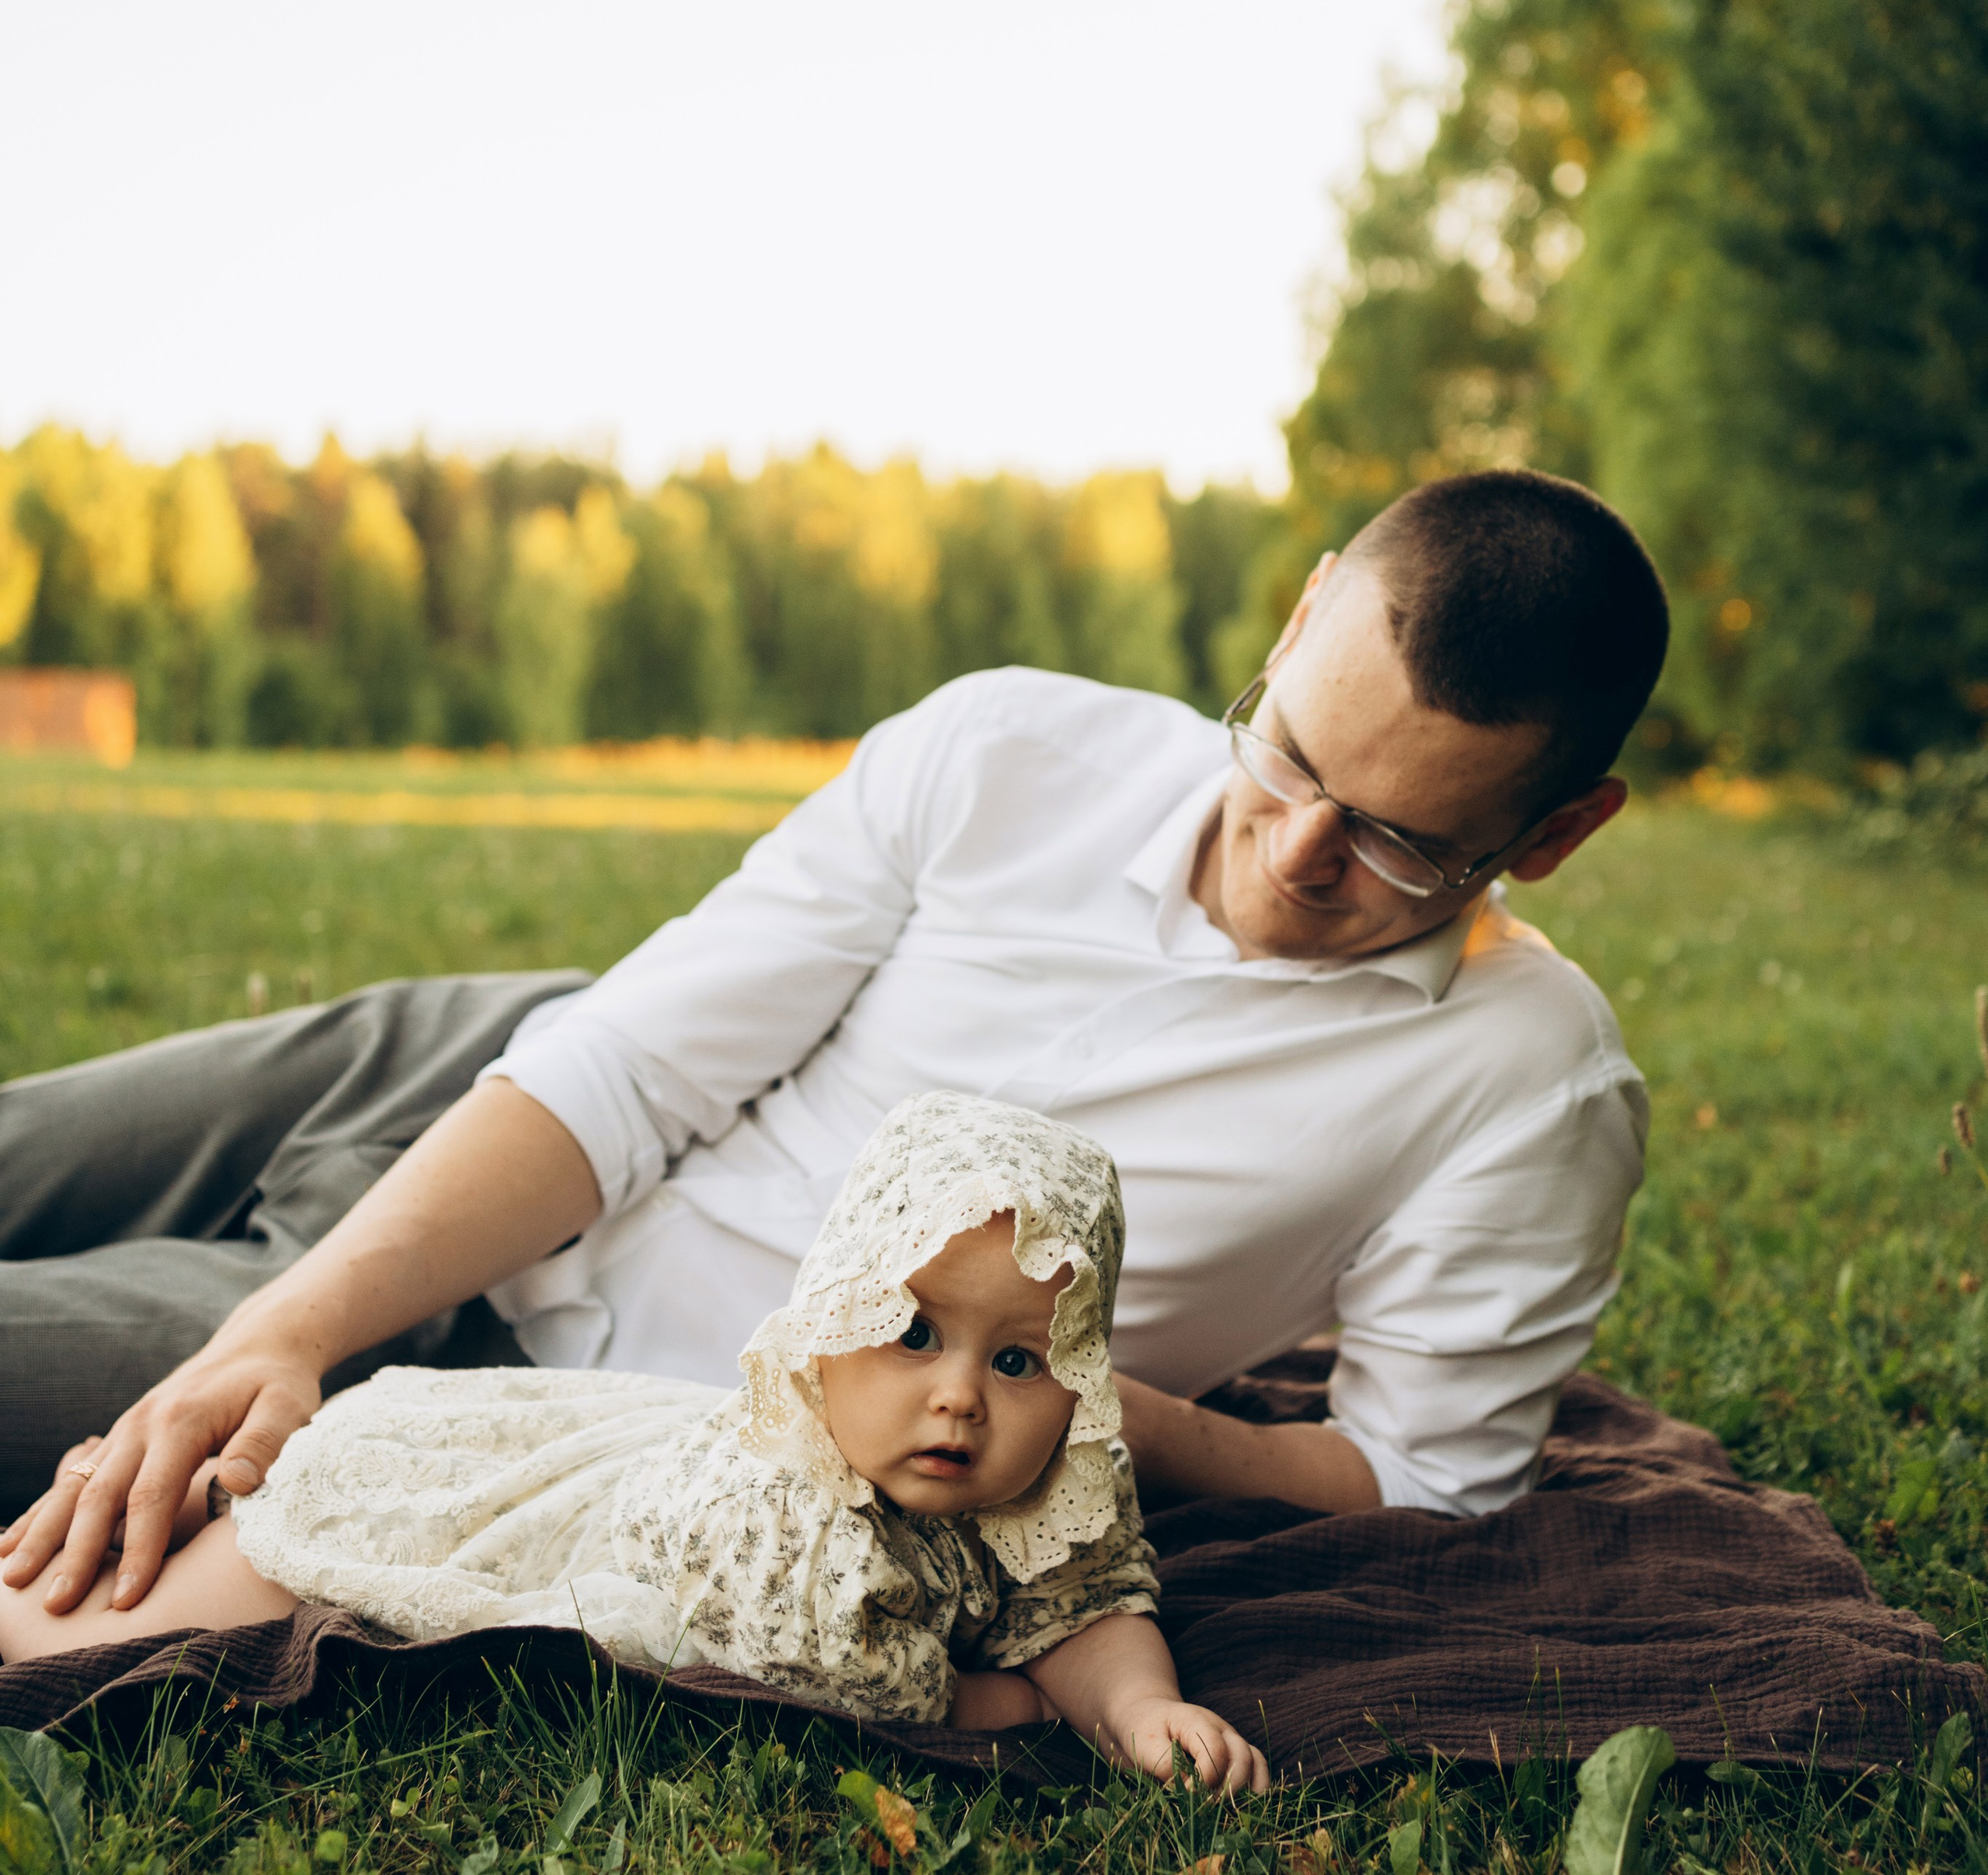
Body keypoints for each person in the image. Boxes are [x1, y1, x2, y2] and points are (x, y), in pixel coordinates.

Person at [1, 467, 1667, 1630]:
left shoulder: (1528, 1086)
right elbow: (631, 1070)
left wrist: (1087, 1411)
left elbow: (1420, 1483)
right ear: (1302, 614)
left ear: (1564, 827)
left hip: (515, 1389)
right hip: (487, 1089)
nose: (1294, 854)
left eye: (1397, 846)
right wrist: (287, 1323)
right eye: (1288, 755)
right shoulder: (1008, 743)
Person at [0, 1094, 1270, 1795]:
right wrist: (1009, 1698)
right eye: (911, 1335)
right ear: (826, 1337)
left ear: (1082, 1382)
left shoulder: (1050, 1488)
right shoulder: (782, 1494)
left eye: (1015, 1361)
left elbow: (1087, 1603)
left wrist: (1140, 1706)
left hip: (579, 1441)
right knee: (169, 1609)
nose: (959, 1401)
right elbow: (831, 1668)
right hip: (489, 1496)